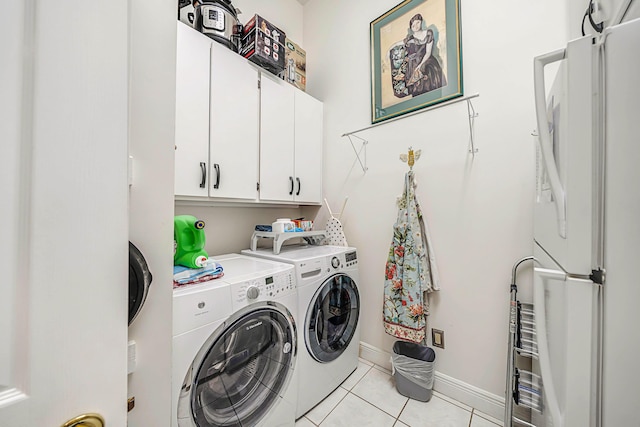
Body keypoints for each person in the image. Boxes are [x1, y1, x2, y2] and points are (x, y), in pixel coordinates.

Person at [404, 13, 446, 96]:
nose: (415, 26)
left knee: (430, 81)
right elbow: (399, 44)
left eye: (418, 23)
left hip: (427, 61)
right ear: (411, 28)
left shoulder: (428, 33)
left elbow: (428, 53)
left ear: (421, 22)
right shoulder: (410, 38)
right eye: (413, 25)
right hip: (414, 63)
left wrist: (420, 65)